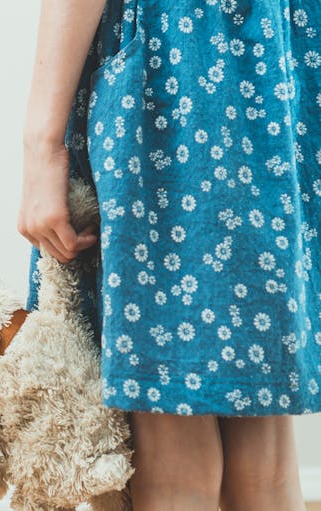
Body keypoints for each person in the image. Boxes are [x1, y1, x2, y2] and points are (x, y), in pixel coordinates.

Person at [18, 1, 319, 510]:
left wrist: (41, 147)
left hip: (177, 73)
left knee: (171, 437)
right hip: (275, 65)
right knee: (259, 438)